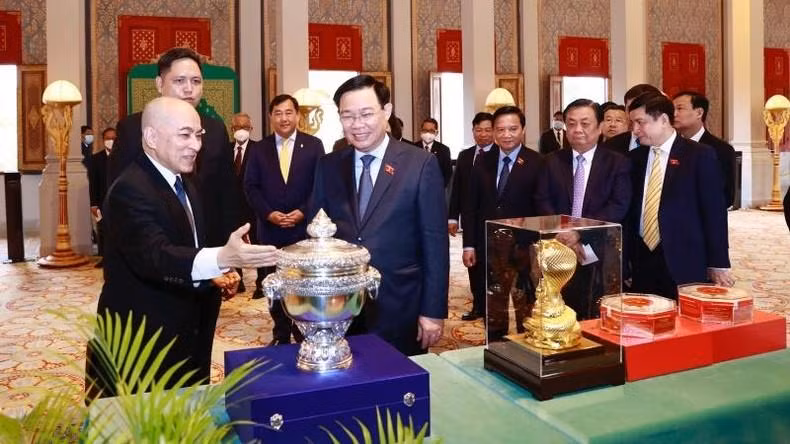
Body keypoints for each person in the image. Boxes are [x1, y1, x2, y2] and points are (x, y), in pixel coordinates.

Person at [86, 97, 278, 399]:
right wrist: (221, 257)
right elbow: (156, 255)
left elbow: (185, 246)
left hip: (188, 334)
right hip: (144, 345)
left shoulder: (185, 181)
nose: (196, 145)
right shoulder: (130, 189)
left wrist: (212, 274)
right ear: (151, 137)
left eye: (198, 135)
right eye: (185, 135)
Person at [310, 75, 448, 355]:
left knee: (397, 389)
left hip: (400, 303)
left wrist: (433, 311)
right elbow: (317, 238)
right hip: (341, 307)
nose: (357, 125)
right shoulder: (328, 166)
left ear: (386, 111)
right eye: (347, 116)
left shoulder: (420, 164)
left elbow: (434, 243)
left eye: (366, 114)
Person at [108, 47, 239, 249]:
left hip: (210, 243)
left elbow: (227, 193)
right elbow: (118, 196)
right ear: (160, 84)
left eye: (196, 81)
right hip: (158, 243)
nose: (189, 89)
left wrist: (229, 252)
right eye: (179, 81)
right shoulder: (134, 129)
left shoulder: (214, 128)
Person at [626, 92, 733, 300]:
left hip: (684, 258)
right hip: (642, 259)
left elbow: (714, 213)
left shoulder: (700, 155)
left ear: (664, 120)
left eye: (640, 122)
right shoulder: (634, 158)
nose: (635, 130)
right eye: (633, 123)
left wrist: (718, 262)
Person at [535, 99, 631, 318]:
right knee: (560, 306)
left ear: (599, 128)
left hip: (600, 248)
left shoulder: (618, 163)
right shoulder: (551, 161)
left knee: (596, 308)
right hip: (558, 246)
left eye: (585, 123)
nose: (577, 129)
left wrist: (579, 233)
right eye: (571, 123)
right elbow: (542, 199)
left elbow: (618, 205)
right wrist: (563, 232)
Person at [244, 94, 325, 346]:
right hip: (271, 231)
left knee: (302, 285)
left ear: (297, 115)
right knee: (274, 284)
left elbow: (320, 186)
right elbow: (250, 186)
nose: (284, 118)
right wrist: (269, 213)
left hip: (303, 231)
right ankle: (280, 332)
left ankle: (302, 331)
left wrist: (303, 211)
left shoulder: (314, 145)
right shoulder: (259, 148)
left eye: (289, 112)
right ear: (270, 117)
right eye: (278, 113)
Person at [462, 106, 543, 333]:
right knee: (493, 303)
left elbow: (541, 207)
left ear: (523, 130)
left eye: (513, 129)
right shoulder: (482, 161)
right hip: (489, 246)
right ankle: (496, 348)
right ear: (495, 132)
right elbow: (471, 207)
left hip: (524, 247)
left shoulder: (537, 162)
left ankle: (527, 348)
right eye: (501, 129)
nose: (507, 134)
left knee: (525, 302)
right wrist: (469, 244)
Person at [448, 112, 495, 321]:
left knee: (492, 268)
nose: (483, 134)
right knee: (472, 265)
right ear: (473, 131)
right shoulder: (466, 156)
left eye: (487, 130)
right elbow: (456, 188)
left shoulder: (499, 156)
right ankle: (478, 305)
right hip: (470, 219)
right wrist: (452, 217)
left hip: (492, 219)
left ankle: (492, 310)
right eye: (479, 130)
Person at [672, 91, 736, 208]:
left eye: (680, 108)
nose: (674, 114)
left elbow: (727, 196)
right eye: (672, 109)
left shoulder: (721, 149)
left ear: (699, 112)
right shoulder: (670, 147)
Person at [229, 112, 259, 293]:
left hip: (253, 206)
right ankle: (238, 280)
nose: (241, 130)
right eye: (237, 127)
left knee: (258, 243)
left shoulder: (259, 149)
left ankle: (261, 284)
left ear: (251, 129)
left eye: (245, 127)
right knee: (234, 245)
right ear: (232, 129)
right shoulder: (225, 149)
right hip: (231, 208)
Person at [603, 84, 662, 156]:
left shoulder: (665, 146)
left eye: (639, 109)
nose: (633, 115)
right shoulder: (610, 146)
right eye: (629, 109)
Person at [88, 127, 116, 267]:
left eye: (113, 138)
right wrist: (93, 203)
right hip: (102, 202)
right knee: (103, 230)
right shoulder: (96, 159)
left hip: (119, 201)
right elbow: (93, 183)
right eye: (108, 138)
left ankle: (118, 259)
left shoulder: (123, 157)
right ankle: (104, 258)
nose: (111, 141)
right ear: (103, 140)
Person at [414, 117, 453, 187]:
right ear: (421, 131)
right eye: (425, 130)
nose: (428, 133)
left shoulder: (444, 150)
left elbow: (448, 173)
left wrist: (439, 188)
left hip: (436, 190)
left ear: (436, 133)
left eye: (431, 131)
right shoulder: (413, 148)